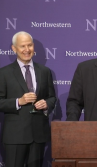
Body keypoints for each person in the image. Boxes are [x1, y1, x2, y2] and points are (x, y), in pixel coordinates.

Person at [0, 31, 56, 167]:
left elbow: (52, 97)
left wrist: (46, 104)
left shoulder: (44, 71)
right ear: (14, 49)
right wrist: (18, 101)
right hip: (15, 136)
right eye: (22, 46)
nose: (27, 50)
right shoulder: (4, 73)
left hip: (38, 135)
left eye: (29, 45)